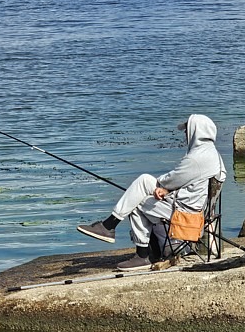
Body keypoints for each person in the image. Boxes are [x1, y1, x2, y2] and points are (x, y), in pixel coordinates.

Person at [77, 114, 226, 271]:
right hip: (192, 211)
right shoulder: (211, 154)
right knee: (143, 183)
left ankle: (140, 254)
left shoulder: (197, 158)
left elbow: (171, 178)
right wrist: (167, 189)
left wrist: (164, 187)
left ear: (196, 131)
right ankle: (108, 227)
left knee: (137, 200)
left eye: (187, 130)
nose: (185, 134)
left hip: (186, 217)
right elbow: (184, 181)